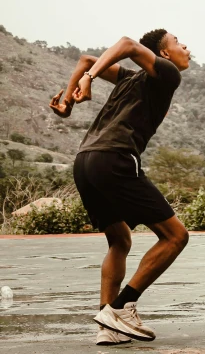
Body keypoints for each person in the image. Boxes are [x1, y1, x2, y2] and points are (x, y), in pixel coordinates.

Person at [49, 29, 191, 346]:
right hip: (115, 158)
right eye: (179, 42)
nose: (186, 46)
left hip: (85, 162)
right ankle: (122, 308)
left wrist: (71, 97)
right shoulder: (167, 73)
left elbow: (87, 59)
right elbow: (127, 44)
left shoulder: (131, 78)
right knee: (175, 236)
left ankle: (108, 325)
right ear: (164, 55)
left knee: (120, 240)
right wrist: (87, 81)